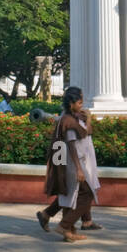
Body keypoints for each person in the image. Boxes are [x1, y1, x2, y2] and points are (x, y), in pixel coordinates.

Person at [37, 86, 103, 242]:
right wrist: (79, 169)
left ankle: (68, 231)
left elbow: (88, 132)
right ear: (71, 103)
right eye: (79, 102)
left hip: (81, 161)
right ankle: (65, 225)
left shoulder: (75, 117)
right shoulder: (69, 121)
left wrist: (88, 119)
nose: (82, 104)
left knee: (69, 195)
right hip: (74, 163)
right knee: (85, 194)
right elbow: (72, 145)